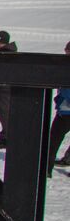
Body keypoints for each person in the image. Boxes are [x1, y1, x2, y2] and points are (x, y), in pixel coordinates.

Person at [0, 30, 18, 148]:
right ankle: (5, 136)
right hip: (3, 87)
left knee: (4, 113)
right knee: (4, 113)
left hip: (4, 88)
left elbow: (2, 71)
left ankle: (7, 138)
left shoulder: (6, 54)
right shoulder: (6, 52)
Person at [50, 40, 70, 175]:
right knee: (54, 139)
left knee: (54, 139)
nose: (66, 52)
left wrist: (60, 99)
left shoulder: (65, 66)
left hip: (66, 110)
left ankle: (46, 168)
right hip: (64, 108)